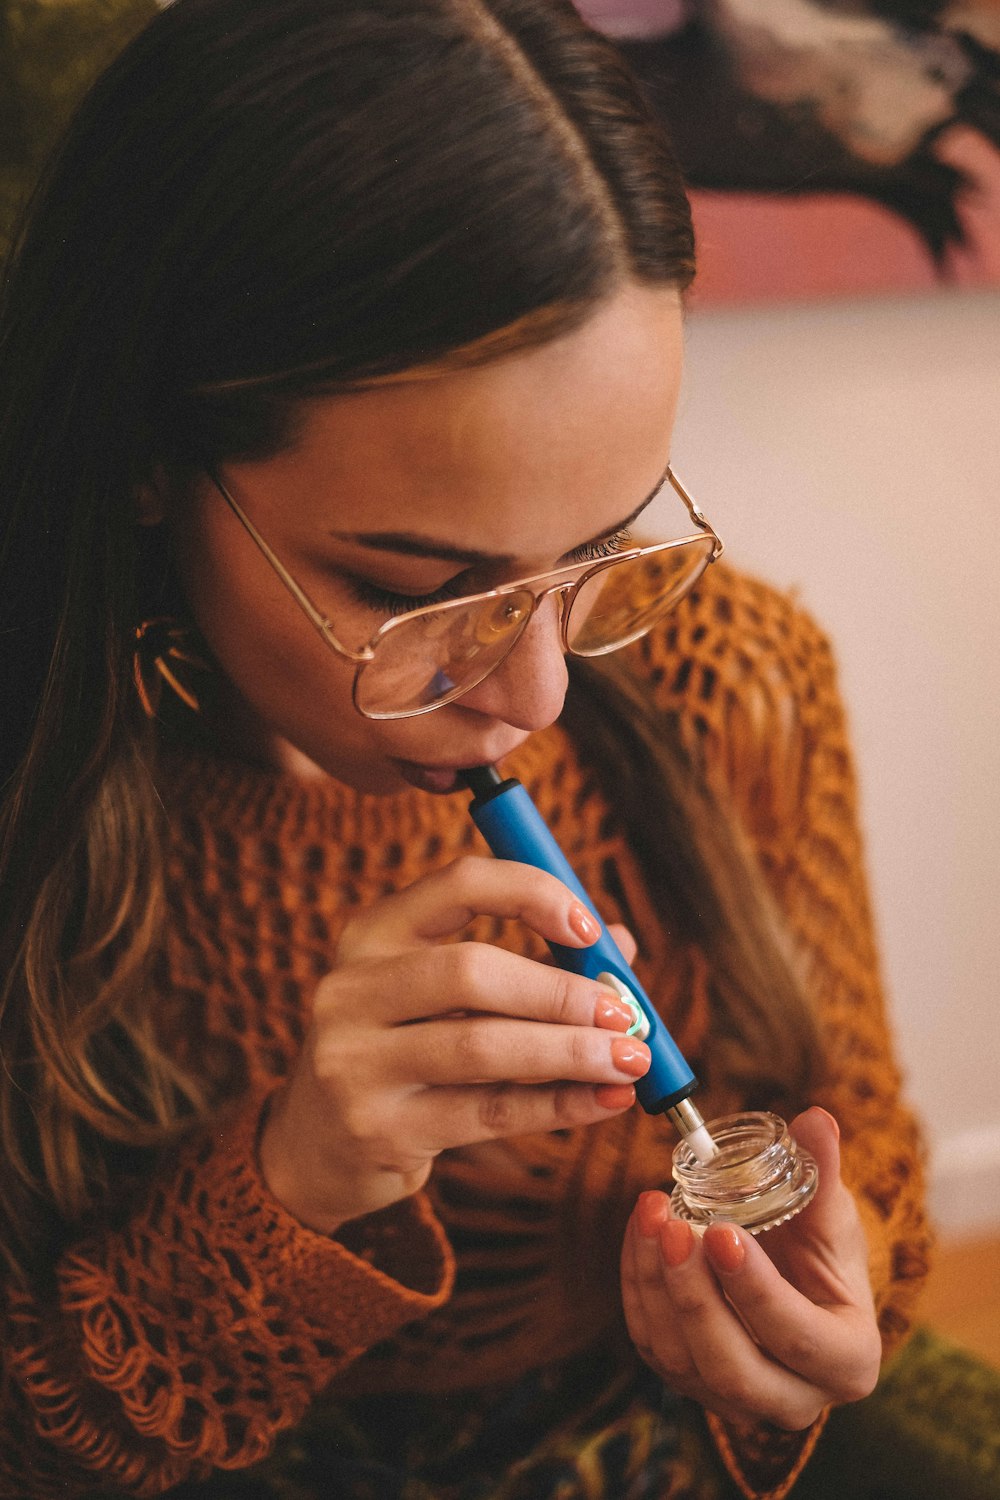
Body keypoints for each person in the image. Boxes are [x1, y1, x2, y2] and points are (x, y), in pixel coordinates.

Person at [0, 1, 930, 1496]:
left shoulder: (730, 681)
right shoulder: (49, 799)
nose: (541, 697)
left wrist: (822, 1293)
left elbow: (858, 1131)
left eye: (598, 552)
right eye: (422, 591)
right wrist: (293, 1180)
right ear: (145, 469)